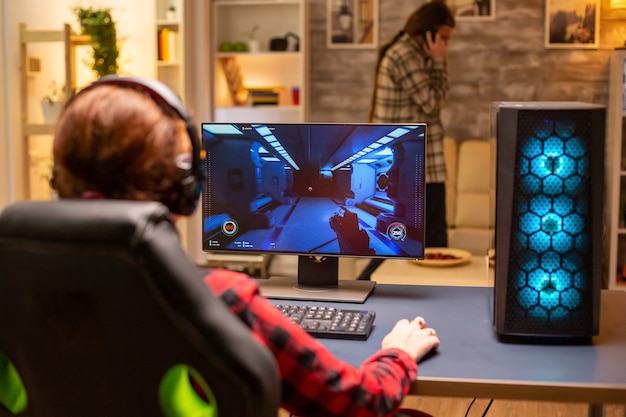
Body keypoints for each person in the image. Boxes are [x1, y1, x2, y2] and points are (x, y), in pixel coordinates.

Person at [50, 76, 440, 417]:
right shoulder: (223, 302)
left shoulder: (20, 289)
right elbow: (362, 403)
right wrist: (398, 353)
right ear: (183, 190)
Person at [369, 0, 455, 248]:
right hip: (416, 163)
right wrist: (440, 61)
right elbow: (433, 102)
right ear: (427, 32)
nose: (445, 46)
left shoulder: (409, 54)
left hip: (420, 161)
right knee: (423, 240)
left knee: (420, 239)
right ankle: (372, 283)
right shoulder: (406, 55)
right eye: (443, 39)